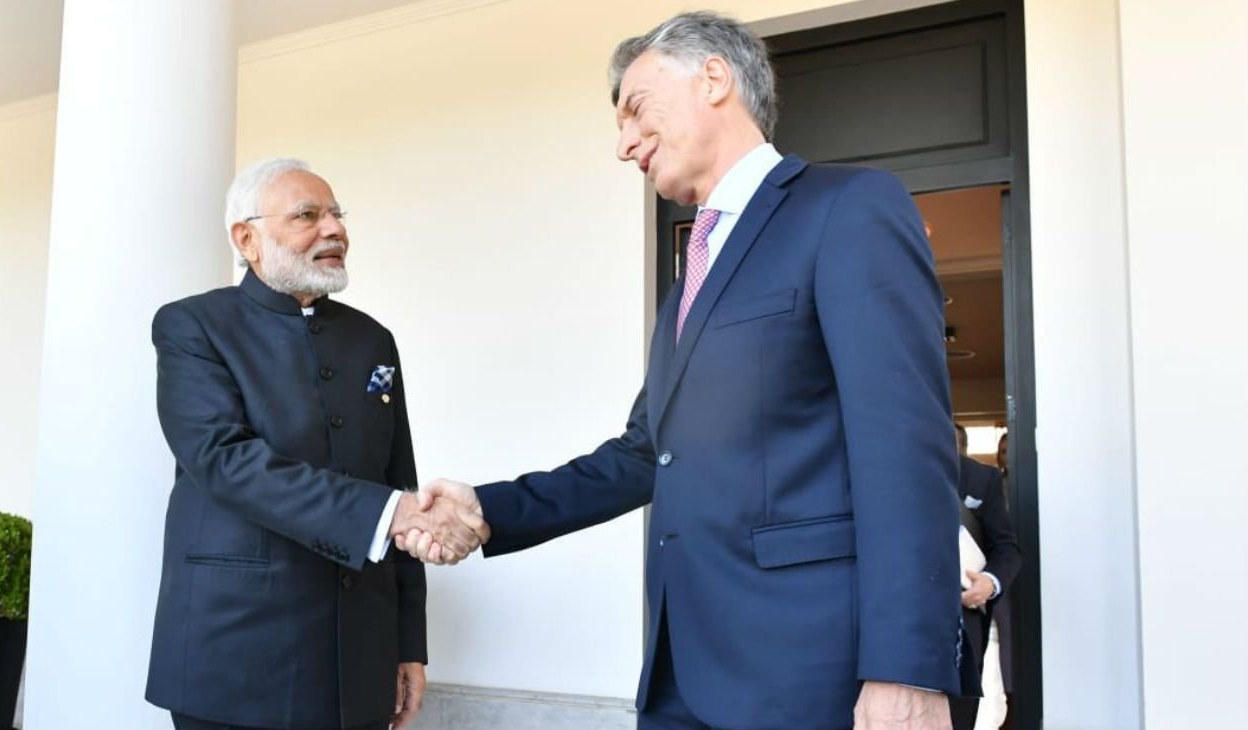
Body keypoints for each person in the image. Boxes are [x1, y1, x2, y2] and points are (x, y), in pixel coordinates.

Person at [400, 11, 965, 730]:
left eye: (635, 108)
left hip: (810, 676)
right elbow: (645, 456)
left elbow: (905, 449)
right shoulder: (686, 284)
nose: (623, 142)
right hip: (680, 674)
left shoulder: (848, 208)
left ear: (714, 77)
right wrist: (487, 511)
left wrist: (906, 669)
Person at [145, 158, 487, 730]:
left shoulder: (373, 339)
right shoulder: (191, 327)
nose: (334, 230)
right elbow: (225, 461)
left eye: (337, 215)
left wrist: (408, 644)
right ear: (246, 238)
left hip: (357, 659)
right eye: (308, 215)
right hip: (235, 655)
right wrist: (391, 511)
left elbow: (395, 482)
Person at [951, 425, 1022, 730]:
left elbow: (1006, 550)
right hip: (900, 619)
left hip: (964, 621)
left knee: (959, 712)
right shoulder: (888, 477)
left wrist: (989, 583)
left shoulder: (982, 479)